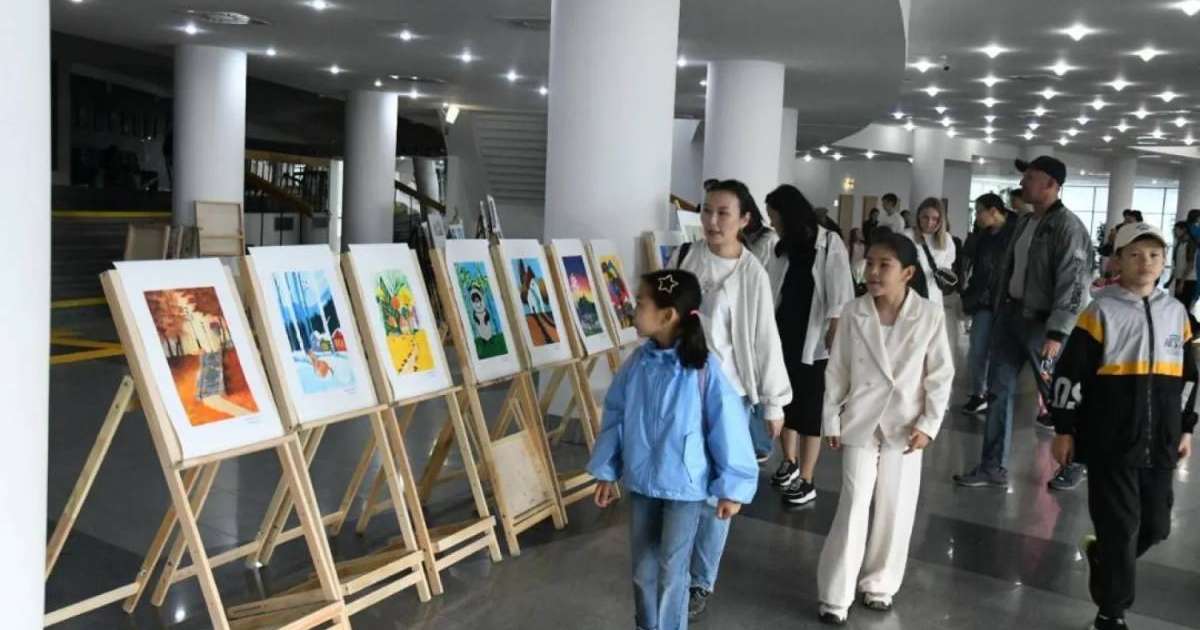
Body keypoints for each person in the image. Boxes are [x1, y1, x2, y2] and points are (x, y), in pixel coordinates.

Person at [588, 269, 758, 630]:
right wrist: (607, 469)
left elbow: (728, 427)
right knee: (642, 571)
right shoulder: (637, 365)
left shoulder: (703, 369)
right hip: (642, 483)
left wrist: (732, 486)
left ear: (667, 315)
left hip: (685, 489)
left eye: (641, 303)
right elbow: (616, 415)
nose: (633, 309)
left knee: (671, 573)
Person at [1046, 223, 1196, 630]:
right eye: (1134, 254)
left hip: (1162, 441)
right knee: (1121, 528)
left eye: (1153, 255)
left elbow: (1190, 378)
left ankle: (1103, 557)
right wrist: (1064, 429)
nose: (1145, 262)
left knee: (1156, 527)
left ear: (1165, 262)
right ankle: (1111, 613)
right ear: (1117, 261)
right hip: (1111, 442)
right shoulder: (1100, 312)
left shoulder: (1177, 313)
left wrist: (1187, 428)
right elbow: (1069, 375)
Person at [815, 230, 954, 625]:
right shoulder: (854, 310)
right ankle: (835, 593)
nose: (873, 271)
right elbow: (837, 370)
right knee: (855, 502)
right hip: (860, 419)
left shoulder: (928, 313)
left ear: (908, 272)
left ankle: (879, 583)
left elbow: (940, 374)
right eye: (870, 263)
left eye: (884, 265)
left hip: (906, 425)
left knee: (895, 505)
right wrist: (831, 419)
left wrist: (928, 424)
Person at [673, 179, 792, 618]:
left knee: (717, 492)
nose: (711, 221)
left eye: (723, 213)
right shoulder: (685, 258)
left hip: (731, 398)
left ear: (744, 220)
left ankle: (700, 581)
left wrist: (774, 402)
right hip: (683, 391)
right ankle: (676, 569)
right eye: (707, 211)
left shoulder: (752, 274)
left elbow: (764, 339)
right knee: (683, 484)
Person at [954, 155, 1094, 491]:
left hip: (1042, 327)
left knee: (1058, 396)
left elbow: (1073, 284)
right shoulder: (1026, 222)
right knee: (999, 391)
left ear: (1051, 184)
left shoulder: (1068, 227)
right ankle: (992, 465)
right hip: (1012, 318)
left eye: (1030, 177)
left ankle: (1076, 461)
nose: (1023, 183)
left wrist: (1058, 332)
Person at [762, 185, 854, 507]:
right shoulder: (782, 246)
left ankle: (808, 478)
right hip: (782, 335)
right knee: (785, 401)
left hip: (814, 341)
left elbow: (840, 298)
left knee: (810, 408)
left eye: (774, 217)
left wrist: (834, 339)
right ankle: (788, 462)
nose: (772, 223)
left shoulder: (829, 243)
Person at [958, 193, 1017, 415]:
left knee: (1000, 352)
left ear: (994, 211)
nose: (977, 216)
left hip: (1007, 301)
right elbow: (976, 266)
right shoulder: (982, 236)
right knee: (978, 348)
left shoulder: (1016, 231)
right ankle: (978, 393)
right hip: (983, 301)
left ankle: (993, 393)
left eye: (979, 210)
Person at [905, 198, 958, 307]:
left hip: (934, 297)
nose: (929, 222)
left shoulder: (947, 239)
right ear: (919, 216)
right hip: (911, 296)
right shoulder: (907, 236)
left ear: (941, 220)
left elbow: (947, 266)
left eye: (935, 218)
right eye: (925, 217)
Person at [1171, 221, 1196, 305]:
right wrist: (1171, 279)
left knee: (1184, 309)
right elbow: (1177, 264)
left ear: (1184, 230)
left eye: (1177, 229)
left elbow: (1190, 264)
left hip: (1188, 280)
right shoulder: (1179, 244)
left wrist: (1182, 282)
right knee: (1178, 307)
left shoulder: (1191, 244)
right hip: (1180, 279)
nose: (1175, 231)